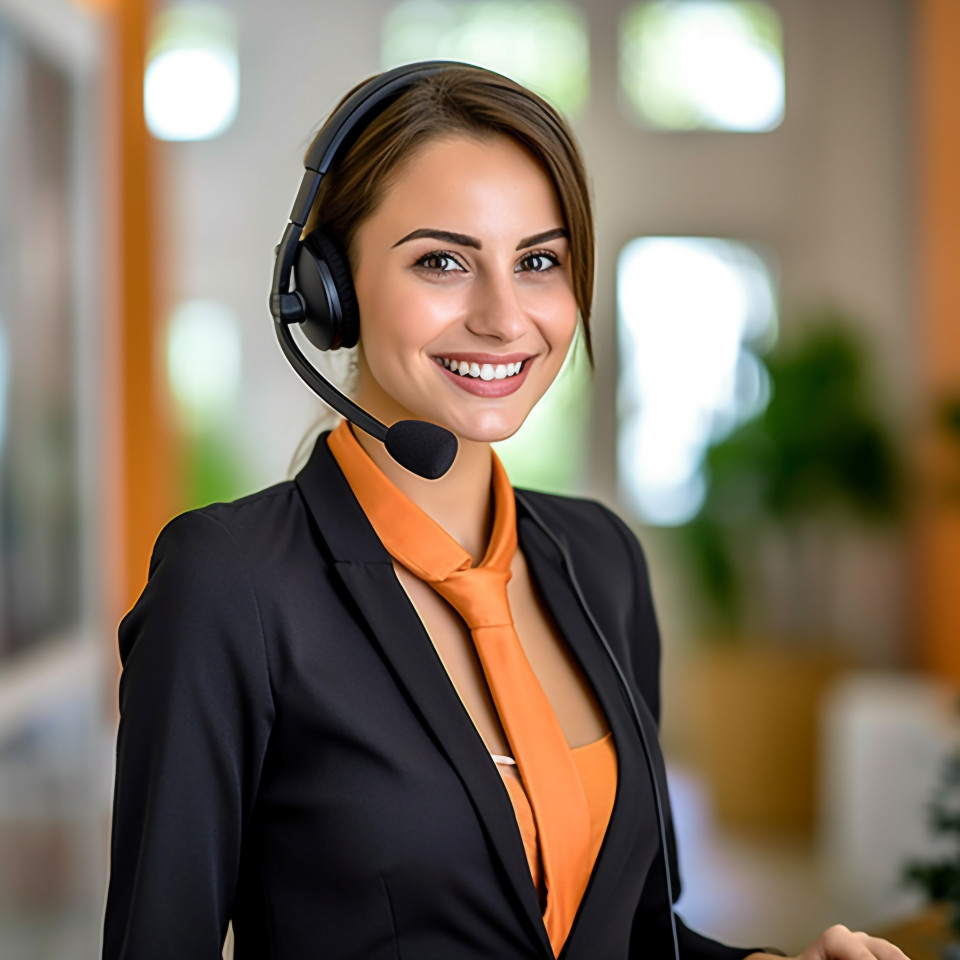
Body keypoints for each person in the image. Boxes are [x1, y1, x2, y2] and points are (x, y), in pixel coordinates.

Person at [101, 63, 912, 960]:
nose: (503, 316)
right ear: (330, 291)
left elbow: (641, 935)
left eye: (538, 261)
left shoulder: (599, 559)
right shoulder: (232, 585)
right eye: (443, 261)